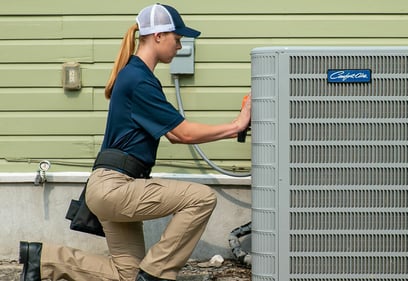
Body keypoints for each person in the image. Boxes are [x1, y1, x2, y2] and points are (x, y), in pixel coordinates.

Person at [19, 3, 251, 281]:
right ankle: (157, 274)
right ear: (158, 36)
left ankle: (42, 260)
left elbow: (175, 135)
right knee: (201, 199)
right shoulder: (139, 80)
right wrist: (237, 125)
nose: (179, 46)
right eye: (177, 39)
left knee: (127, 274)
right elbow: (183, 134)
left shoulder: (135, 75)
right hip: (115, 187)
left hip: (109, 186)